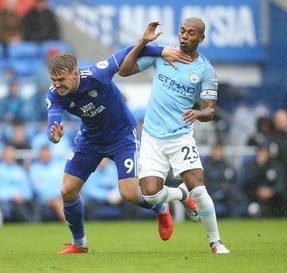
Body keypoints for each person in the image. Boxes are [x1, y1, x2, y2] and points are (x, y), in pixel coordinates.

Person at [46, 22, 195, 254]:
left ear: (75, 74)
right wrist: (53, 135)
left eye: (61, 80)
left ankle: (167, 202)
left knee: (130, 194)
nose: (57, 85)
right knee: (67, 191)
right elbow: (53, 120)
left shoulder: (96, 74)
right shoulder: (55, 94)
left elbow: (126, 52)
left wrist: (159, 48)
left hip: (122, 137)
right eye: (53, 80)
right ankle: (79, 243)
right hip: (90, 140)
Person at [118, 19, 229, 254]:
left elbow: (210, 110)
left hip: (181, 137)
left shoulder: (205, 70)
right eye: (182, 31)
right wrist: (144, 42)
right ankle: (180, 194)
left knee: (199, 189)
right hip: (152, 137)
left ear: (201, 38)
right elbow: (124, 70)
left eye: (191, 33)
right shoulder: (164, 55)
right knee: (151, 194)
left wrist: (199, 112)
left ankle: (216, 242)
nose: (184, 36)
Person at [0, 144, 39, 222]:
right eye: (8, 153)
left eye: (12, 153)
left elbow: (27, 188)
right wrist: (12, 196)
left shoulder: (19, 170)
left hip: (22, 199)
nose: (10, 156)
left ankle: (37, 223)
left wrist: (23, 196)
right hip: (7, 200)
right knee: (18, 206)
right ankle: (29, 223)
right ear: (3, 155)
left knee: (36, 204)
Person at [242, 142, 286, 218]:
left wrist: (272, 191)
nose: (263, 154)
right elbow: (245, 184)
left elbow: (281, 184)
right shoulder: (250, 166)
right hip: (253, 198)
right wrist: (258, 191)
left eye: (265, 152)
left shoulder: (275, 166)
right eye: (261, 151)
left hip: (273, 199)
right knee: (253, 208)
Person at [28, 144, 65, 222]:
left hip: (61, 195)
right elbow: (38, 187)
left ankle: (79, 223)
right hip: (45, 198)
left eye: (47, 153)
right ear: (40, 155)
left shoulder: (57, 166)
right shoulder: (35, 168)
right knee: (57, 202)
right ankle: (69, 224)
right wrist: (55, 194)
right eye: (43, 154)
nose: (45, 156)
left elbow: (62, 182)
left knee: (76, 199)